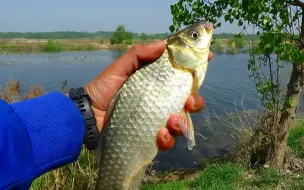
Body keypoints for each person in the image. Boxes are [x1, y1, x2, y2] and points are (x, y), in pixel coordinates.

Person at [0, 40, 212, 190]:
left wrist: (88, 108)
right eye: (194, 36)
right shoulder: (168, 61)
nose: (205, 31)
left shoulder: (181, 69)